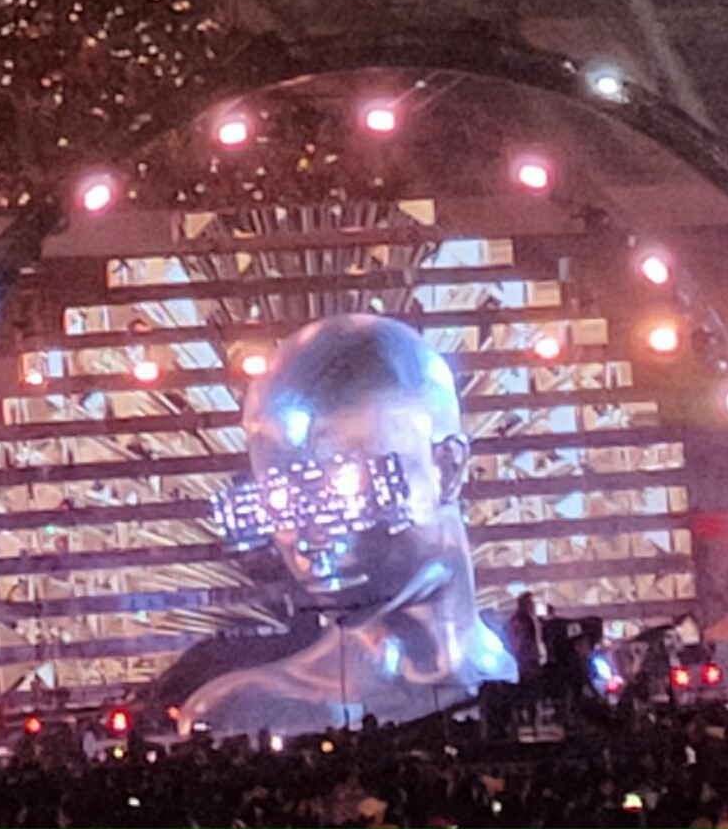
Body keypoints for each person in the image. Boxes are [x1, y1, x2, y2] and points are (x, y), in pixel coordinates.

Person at [142, 313, 518, 737]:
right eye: (281, 500)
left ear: (447, 467)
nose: (309, 538)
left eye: (345, 490)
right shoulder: (256, 710)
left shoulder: (527, 678)